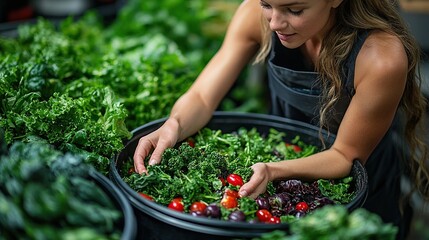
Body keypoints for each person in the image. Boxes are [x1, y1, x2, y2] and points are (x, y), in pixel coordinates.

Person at [133, 0, 429, 239]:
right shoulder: (255, 15)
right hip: (283, 166)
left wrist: (273, 171)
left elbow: (343, 156)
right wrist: (174, 124)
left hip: (358, 185)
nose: (274, 22)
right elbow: (202, 98)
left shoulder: (381, 58)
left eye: (295, 10)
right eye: (267, 5)